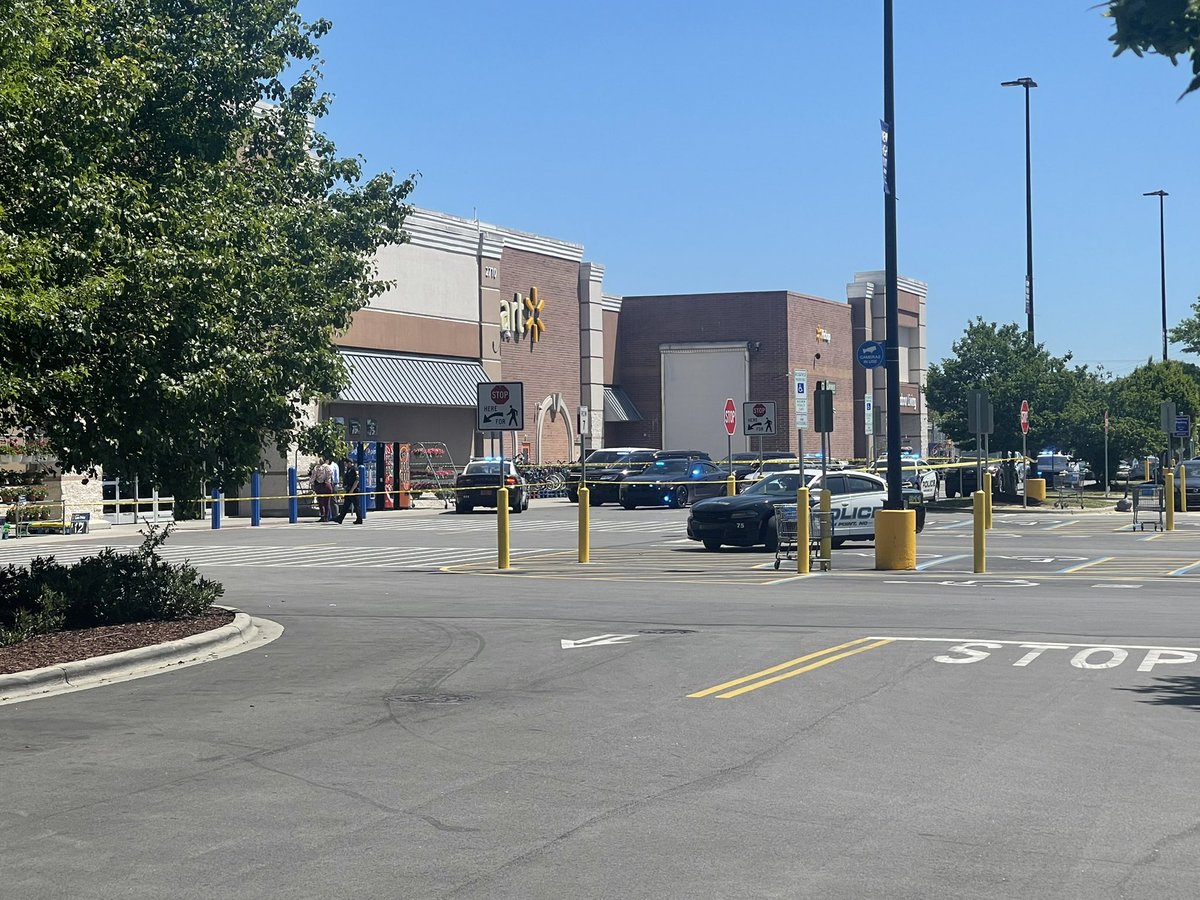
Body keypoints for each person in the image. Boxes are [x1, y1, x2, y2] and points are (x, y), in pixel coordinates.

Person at [336, 458, 364, 524]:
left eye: (346, 464)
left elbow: (357, 480)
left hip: (354, 491)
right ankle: (340, 518)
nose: (345, 465)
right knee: (346, 505)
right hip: (349, 490)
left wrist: (352, 490)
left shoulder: (354, 469)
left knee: (356, 506)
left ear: (349, 463)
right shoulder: (348, 470)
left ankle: (359, 519)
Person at [310, 457, 334, 521]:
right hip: (327, 485)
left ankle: (323, 516)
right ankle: (326, 516)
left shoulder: (316, 468)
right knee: (327, 502)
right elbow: (330, 474)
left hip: (319, 485)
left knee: (320, 502)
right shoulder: (328, 467)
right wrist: (326, 480)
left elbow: (313, 476)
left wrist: (312, 483)